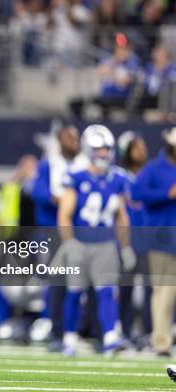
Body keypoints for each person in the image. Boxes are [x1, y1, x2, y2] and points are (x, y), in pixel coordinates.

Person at [56, 124, 135, 356]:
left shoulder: (118, 178)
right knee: (74, 291)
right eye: (99, 149)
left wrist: (126, 246)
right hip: (80, 241)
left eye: (106, 149)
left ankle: (110, 336)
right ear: (89, 150)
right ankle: (69, 338)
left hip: (105, 243)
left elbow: (121, 215)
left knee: (106, 291)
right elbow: (64, 213)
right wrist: (68, 241)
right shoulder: (76, 176)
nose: (103, 154)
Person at [30, 124, 85, 349]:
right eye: (68, 138)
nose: (74, 141)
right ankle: (56, 330)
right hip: (53, 230)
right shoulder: (49, 163)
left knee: (83, 285)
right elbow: (37, 191)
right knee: (57, 282)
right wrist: (57, 198)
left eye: (75, 137)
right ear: (60, 141)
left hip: (80, 231)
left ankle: (80, 330)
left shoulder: (85, 164)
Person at [131, 126, 176, 357]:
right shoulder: (154, 168)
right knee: (164, 290)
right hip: (161, 237)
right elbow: (137, 193)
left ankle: (163, 337)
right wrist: (166, 194)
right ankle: (161, 341)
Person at [116, 131, 151, 346]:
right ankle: (124, 332)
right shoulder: (119, 177)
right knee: (125, 289)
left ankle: (151, 332)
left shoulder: (150, 175)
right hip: (127, 240)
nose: (142, 152)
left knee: (152, 290)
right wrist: (124, 245)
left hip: (150, 240)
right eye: (137, 147)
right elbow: (119, 213)